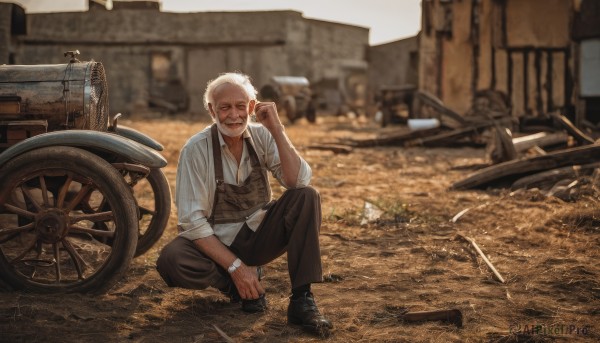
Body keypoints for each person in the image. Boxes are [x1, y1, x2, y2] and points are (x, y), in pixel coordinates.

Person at [156, 72, 333, 337]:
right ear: (211, 110)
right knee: (172, 259)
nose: (234, 115)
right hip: (218, 245)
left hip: (261, 235)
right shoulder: (196, 149)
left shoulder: (263, 136)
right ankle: (238, 285)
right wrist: (237, 269)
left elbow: (298, 181)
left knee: (306, 196)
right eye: (225, 107)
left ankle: (301, 299)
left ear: (252, 107)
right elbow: (192, 222)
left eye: (241, 106)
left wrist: (278, 130)